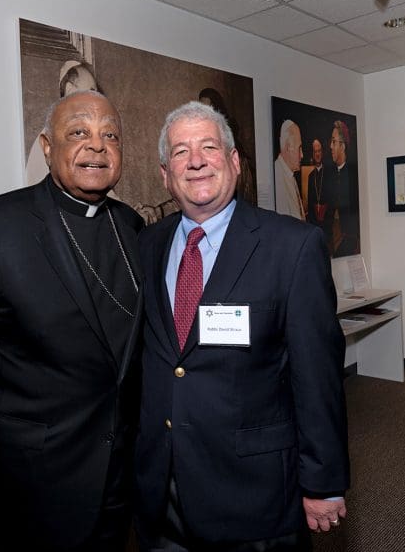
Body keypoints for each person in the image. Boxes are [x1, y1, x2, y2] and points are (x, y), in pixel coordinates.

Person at [135, 101, 349, 551]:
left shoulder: (292, 246)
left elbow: (317, 376)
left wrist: (324, 481)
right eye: (180, 151)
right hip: (162, 493)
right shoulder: (147, 245)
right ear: (164, 174)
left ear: (233, 162)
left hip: (254, 494)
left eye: (209, 146)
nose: (195, 160)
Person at [0, 90, 144, 551]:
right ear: (48, 148)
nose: (97, 146)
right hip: (33, 482)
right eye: (79, 133)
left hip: (118, 473)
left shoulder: (130, 226)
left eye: (110, 134)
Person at [328, 120, 359, 257]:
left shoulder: (354, 175)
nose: (330, 146)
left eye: (334, 142)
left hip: (350, 242)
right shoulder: (331, 174)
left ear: (343, 146)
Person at [274, 119, 305, 219]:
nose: (302, 155)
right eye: (299, 148)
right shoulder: (276, 176)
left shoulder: (289, 174)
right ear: (288, 147)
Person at [306, 139, 330, 234]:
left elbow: (332, 200)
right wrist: (313, 223)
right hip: (315, 224)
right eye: (315, 151)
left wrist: (328, 220)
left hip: (328, 223)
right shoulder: (311, 176)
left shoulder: (329, 173)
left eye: (319, 151)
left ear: (322, 152)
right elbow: (310, 203)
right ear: (313, 154)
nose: (317, 154)